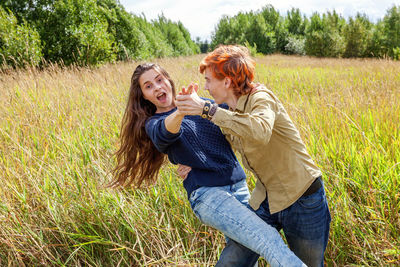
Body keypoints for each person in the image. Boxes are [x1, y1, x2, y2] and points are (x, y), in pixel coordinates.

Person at [109, 63, 305, 266]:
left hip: (238, 186)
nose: (157, 87)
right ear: (144, 96)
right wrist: (181, 111)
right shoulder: (154, 123)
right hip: (208, 194)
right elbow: (165, 133)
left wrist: (251, 90)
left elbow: (233, 117)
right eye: (148, 86)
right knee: (266, 238)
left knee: (245, 257)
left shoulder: (200, 104)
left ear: (168, 81)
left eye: (159, 80)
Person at [175, 45, 331, 267]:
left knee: (307, 264)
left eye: (209, 80)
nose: (206, 88)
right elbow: (215, 145)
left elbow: (259, 131)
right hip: (266, 199)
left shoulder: (261, 97)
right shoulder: (227, 110)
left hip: (303, 198)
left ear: (227, 82)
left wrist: (208, 110)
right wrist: (193, 163)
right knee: (232, 261)